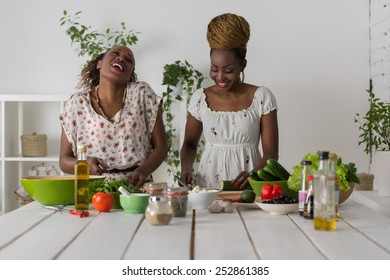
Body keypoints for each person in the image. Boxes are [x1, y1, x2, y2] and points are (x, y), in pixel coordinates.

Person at [180, 13, 279, 189]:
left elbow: (271, 153)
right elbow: (189, 144)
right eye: (214, 68)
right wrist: (185, 168)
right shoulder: (199, 99)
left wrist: (254, 176)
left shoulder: (262, 97)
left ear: (242, 65)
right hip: (207, 187)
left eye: (228, 70)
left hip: (249, 187)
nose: (220, 77)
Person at [59, 45, 168, 186]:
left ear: (130, 73)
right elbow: (64, 161)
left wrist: (142, 172)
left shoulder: (142, 94)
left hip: (135, 188)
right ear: (99, 64)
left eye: (128, 60)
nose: (121, 58)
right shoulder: (77, 103)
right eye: (115, 53)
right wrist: (84, 163)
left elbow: (161, 147)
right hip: (92, 190)